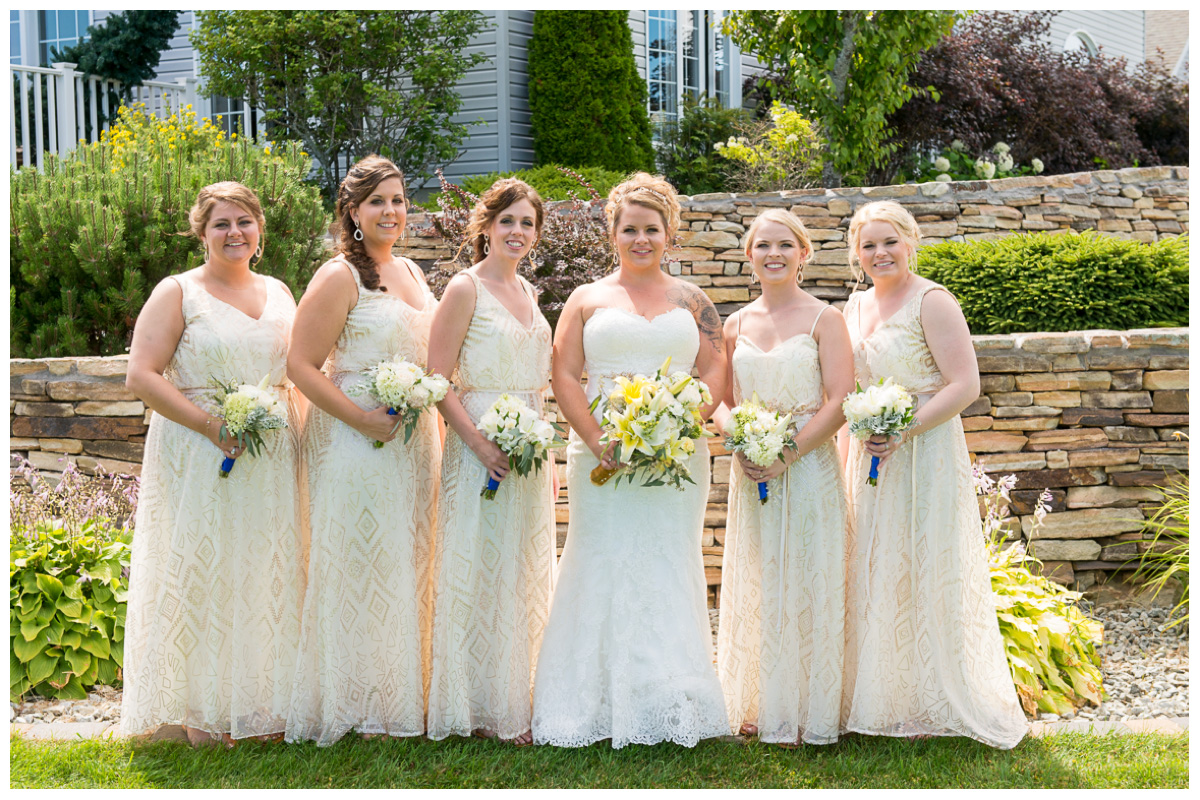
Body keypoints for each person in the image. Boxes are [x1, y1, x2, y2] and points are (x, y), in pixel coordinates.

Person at [531, 172, 730, 749]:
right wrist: (595, 438)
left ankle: (672, 698)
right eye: (630, 229)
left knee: (669, 562)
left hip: (676, 458)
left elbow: (716, 371)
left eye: (652, 229)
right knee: (600, 560)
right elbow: (563, 374)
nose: (641, 239)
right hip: (603, 457)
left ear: (668, 233)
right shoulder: (587, 299)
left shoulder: (693, 301)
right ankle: (588, 702)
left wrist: (680, 424)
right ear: (612, 232)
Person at [122, 182, 305, 748]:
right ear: (201, 232)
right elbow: (142, 376)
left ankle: (260, 706)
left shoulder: (278, 291)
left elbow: (295, 372)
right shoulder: (178, 292)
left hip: (271, 452)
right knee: (203, 568)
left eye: (245, 222)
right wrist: (210, 426)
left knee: (266, 570)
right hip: (199, 450)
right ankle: (198, 711)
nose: (235, 233)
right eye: (222, 223)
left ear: (260, 231)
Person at [839, 200, 1027, 748]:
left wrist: (904, 429)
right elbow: (848, 388)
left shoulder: (933, 300)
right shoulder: (851, 307)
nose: (879, 253)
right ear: (856, 252)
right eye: (868, 245)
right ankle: (879, 696)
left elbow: (963, 384)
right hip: (868, 455)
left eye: (889, 242)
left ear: (910, 241)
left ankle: (929, 699)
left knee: (922, 562)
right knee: (873, 565)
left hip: (922, 453)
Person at [285, 155, 441, 745]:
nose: (391, 211)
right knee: (360, 558)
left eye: (398, 200)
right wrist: (361, 420)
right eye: (377, 201)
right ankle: (354, 701)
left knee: (407, 558)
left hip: (414, 440)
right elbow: (300, 364)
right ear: (351, 211)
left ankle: (401, 693)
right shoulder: (337, 277)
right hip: (354, 438)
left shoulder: (414, 274)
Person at [713, 209, 854, 747]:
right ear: (749, 256)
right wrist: (742, 436)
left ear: (804, 253)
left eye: (784, 245)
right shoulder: (736, 324)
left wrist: (787, 452)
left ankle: (807, 708)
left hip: (808, 465)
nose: (773, 254)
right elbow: (721, 401)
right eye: (762, 245)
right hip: (752, 469)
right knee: (761, 577)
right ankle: (757, 699)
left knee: (809, 577)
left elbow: (839, 399)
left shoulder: (825, 319)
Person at [425, 179, 556, 746]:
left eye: (527, 223)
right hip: (478, 444)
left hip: (528, 449)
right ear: (485, 226)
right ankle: (472, 705)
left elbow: (541, 385)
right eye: (507, 221)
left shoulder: (529, 292)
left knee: (519, 570)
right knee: (475, 567)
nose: (517, 232)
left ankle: (513, 698)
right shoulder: (464, 288)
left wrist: (545, 457)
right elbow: (436, 378)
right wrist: (478, 442)